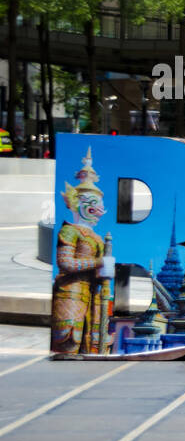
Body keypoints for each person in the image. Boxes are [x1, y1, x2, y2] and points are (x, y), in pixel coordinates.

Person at [51, 147, 115, 353]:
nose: (98, 212)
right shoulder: (70, 231)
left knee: (92, 344)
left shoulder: (97, 238)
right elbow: (66, 263)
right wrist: (98, 263)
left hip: (93, 295)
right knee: (68, 342)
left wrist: (105, 271)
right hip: (70, 292)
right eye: (92, 206)